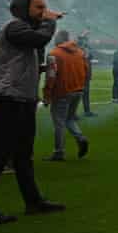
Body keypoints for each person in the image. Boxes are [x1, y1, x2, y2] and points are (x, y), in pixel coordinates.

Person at [0, 0, 66, 225]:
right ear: (23, 9)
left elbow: (22, 60)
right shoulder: (15, 27)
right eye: (39, 7)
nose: (44, 11)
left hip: (23, 100)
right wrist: (50, 21)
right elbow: (39, 40)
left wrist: (42, 68)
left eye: (45, 7)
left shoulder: (26, 31)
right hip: (6, 99)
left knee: (24, 155)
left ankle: (33, 202)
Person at [43, 30, 90, 162]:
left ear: (58, 38)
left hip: (62, 92)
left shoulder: (54, 54)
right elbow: (86, 71)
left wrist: (47, 95)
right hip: (78, 90)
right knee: (69, 119)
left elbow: (51, 77)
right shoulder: (80, 52)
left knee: (59, 123)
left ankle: (59, 152)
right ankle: (80, 138)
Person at [77, 30, 96, 117]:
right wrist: (83, 35)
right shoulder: (78, 48)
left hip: (86, 73)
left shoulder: (87, 48)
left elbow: (92, 55)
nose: (86, 41)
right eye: (85, 39)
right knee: (76, 94)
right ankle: (72, 113)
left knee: (86, 93)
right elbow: (78, 42)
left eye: (86, 39)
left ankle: (87, 111)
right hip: (79, 73)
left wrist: (88, 48)